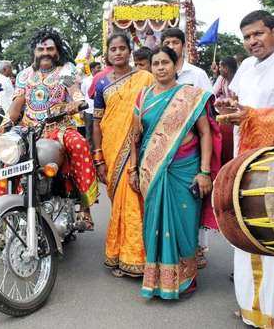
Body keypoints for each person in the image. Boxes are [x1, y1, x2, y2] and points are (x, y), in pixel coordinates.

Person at [216, 10, 274, 328]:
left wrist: (250, 115)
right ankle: (250, 305)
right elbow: (240, 103)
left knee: (273, 233)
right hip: (244, 159)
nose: (252, 42)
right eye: (247, 37)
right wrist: (231, 108)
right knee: (246, 231)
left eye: (258, 34)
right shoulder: (246, 67)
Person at [134, 46, 220, 299]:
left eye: (165, 63)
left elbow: (205, 133)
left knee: (183, 226)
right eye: (156, 63)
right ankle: (159, 281)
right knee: (154, 225)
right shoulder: (143, 96)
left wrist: (205, 172)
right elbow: (135, 138)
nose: (160, 67)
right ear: (150, 67)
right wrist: (132, 169)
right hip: (151, 169)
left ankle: (186, 280)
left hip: (185, 169)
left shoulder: (191, 96)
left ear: (175, 66)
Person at [6, 28, 99, 223]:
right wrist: (5, 122)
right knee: (7, 157)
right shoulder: (24, 75)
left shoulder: (64, 70)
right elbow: (17, 105)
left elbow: (75, 92)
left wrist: (77, 102)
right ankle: (6, 213)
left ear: (57, 51)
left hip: (60, 128)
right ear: (34, 52)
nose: (45, 53)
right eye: (41, 49)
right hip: (29, 131)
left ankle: (85, 207)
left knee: (80, 144)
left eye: (50, 49)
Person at [92, 33, 153, 277]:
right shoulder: (102, 84)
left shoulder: (145, 78)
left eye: (122, 48)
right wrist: (98, 157)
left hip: (140, 147)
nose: (117, 52)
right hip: (111, 147)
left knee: (137, 201)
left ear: (130, 50)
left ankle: (138, 257)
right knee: (118, 203)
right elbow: (97, 122)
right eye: (113, 49)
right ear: (107, 54)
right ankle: (118, 254)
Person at [81, 61, 102, 148]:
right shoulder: (85, 81)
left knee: (99, 132)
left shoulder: (102, 79)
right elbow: (83, 94)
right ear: (92, 69)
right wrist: (81, 111)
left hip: (100, 110)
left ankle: (98, 151)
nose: (100, 69)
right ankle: (90, 154)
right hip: (88, 111)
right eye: (98, 68)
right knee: (89, 132)